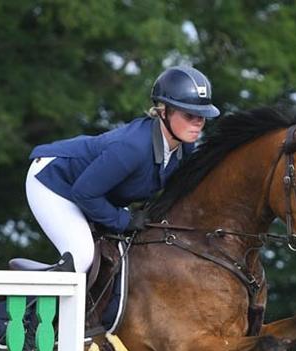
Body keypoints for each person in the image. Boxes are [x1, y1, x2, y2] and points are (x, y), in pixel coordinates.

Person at [25, 65, 220, 273]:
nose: (198, 123)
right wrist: (124, 220)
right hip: (53, 180)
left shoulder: (184, 148)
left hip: (91, 191)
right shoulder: (132, 148)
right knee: (82, 257)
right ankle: (29, 291)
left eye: (202, 116)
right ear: (164, 111)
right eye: (190, 115)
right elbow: (84, 193)